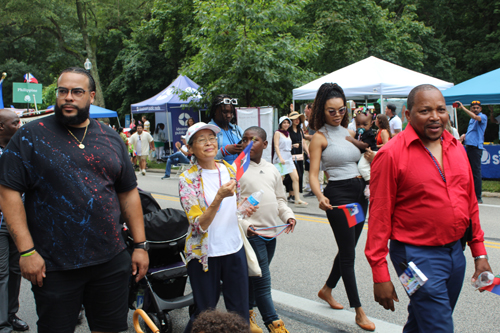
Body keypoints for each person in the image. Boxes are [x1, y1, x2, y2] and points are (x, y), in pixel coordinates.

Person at [0, 67, 149, 333]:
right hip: (53, 265)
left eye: (77, 92)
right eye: (63, 91)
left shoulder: (111, 138)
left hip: (110, 261)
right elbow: (8, 192)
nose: (68, 97)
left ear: (91, 96)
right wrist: (26, 251)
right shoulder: (30, 136)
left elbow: (128, 192)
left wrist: (140, 245)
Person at [365, 85, 491, 332]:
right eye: (425, 110)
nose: (435, 116)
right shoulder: (390, 154)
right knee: (438, 326)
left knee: (423, 322)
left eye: (440, 109)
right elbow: (379, 217)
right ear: (407, 115)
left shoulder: (456, 146)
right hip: (412, 259)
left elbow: (470, 203)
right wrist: (379, 274)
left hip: (455, 254)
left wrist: (480, 253)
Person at [178, 122, 257, 333]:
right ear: (191, 148)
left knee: (240, 315)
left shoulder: (229, 169)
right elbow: (198, 225)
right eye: (201, 140)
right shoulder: (187, 179)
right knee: (204, 315)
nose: (208, 143)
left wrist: (243, 209)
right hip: (205, 255)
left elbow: (233, 208)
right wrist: (218, 198)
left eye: (211, 138)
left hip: (234, 249)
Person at [308, 83, 375, 331]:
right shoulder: (319, 136)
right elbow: (314, 174)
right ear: (321, 112)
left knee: (349, 247)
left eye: (340, 110)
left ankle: (327, 289)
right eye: (331, 111)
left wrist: (368, 154)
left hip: (360, 194)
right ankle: (358, 311)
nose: (337, 115)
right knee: (348, 254)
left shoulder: (348, 132)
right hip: (338, 195)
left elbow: (360, 155)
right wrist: (319, 195)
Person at [239, 126, 296, 333]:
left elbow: (280, 199)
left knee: (255, 276)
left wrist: (288, 215)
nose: (247, 144)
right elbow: (231, 206)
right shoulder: (236, 169)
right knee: (263, 281)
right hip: (252, 235)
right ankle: (275, 325)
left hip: (271, 234)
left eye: (253, 140)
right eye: (244, 140)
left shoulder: (272, 169)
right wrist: (246, 226)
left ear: (264, 144)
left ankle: (246, 314)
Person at [0, 109, 29, 333]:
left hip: (17, 222)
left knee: (15, 270)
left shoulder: (17, 151)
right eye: (15, 122)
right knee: (2, 273)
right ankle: (2, 323)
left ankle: (11, 314)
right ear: (2, 127)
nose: (20, 125)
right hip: (0, 223)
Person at [273, 116, 308, 207]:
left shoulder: (288, 133)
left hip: (288, 157)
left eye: (287, 123)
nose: (286, 124)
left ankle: (297, 199)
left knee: (296, 178)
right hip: (281, 157)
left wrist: (293, 146)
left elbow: (285, 145)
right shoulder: (277, 133)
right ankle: (277, 199)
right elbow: (276, 146)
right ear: (280, 124)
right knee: (280, 180)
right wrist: (280, 157)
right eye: (284, 122)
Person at [458, 100, 487, 203]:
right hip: (469, 147)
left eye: (477, 108)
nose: (475, 109)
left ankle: (478, 196)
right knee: (468, 171)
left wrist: (463, 108)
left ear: (480, 109)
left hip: (476, 148)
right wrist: (465, 135)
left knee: (475, 172)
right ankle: (470, 194)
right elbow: (473, 130)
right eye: (473, 108)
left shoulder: (482, 117)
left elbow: (476, 117)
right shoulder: (471, 120)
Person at [345, 109, 377, 198]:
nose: (361, 126)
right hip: (363, 154)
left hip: (369, 152)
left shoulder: (369, 133)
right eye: (358, 124)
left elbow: (364, 145)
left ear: (371, 123)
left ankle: (369, 184)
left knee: (362, 167)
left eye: (365, 124)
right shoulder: (358, 133)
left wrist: (352, 140)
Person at [208, 94, 244, 165]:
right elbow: (203, 158)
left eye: (231, 112)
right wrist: (224, 151)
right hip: (220, 174)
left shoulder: (237, 129)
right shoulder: (208, 130)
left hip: (239, 173)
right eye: (225, 112)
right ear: (215, 111)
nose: (229, 116)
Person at [283, 111, 309, 204]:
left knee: (299, 175)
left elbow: (304, 142)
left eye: (298, 119)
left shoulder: (300, 130)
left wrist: (308, 152)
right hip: (289, 156)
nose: (297, 120)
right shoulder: (287, 131)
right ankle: (291, 194)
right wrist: (293, 146)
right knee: (289, 177)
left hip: (299, 156)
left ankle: (294, 195)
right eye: (294, 119)